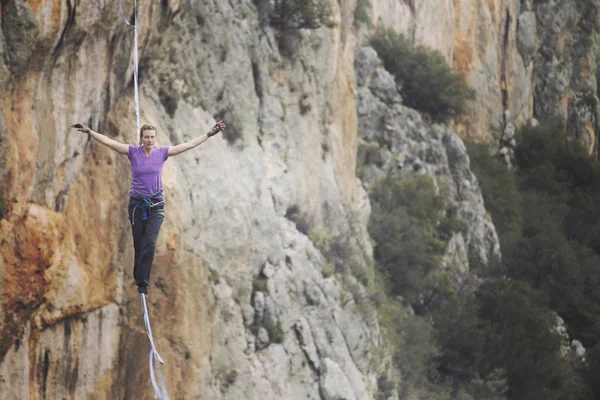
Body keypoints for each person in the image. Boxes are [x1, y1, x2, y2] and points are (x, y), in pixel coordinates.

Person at [71, 120, 226, 294]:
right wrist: (89, 131)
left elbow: (187, 145)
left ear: (155, 139)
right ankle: (138, 274)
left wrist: (209, 134)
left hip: (156, 206)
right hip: (136, 205)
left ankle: (143, 281)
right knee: (139, 243)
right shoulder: (133, 152)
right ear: (141, 139)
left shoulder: (162, 153)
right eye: (146, 137)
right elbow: (110, 142)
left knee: (149, 242)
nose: (150, 140)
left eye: (152, 137)